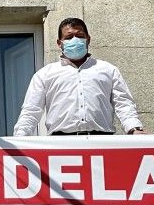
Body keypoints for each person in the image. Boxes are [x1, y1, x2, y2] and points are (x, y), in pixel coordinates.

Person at [13, 17, 145, 136]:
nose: (75, 40)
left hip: (103, 143)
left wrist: (134, 128)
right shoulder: (45, 74)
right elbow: (31, 110)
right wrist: (20, 137)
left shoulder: (108, 70)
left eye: (80, 36)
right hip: (61, 145)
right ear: (60, 43)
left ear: (88, 39)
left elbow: (123, 103)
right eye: (69, 37)